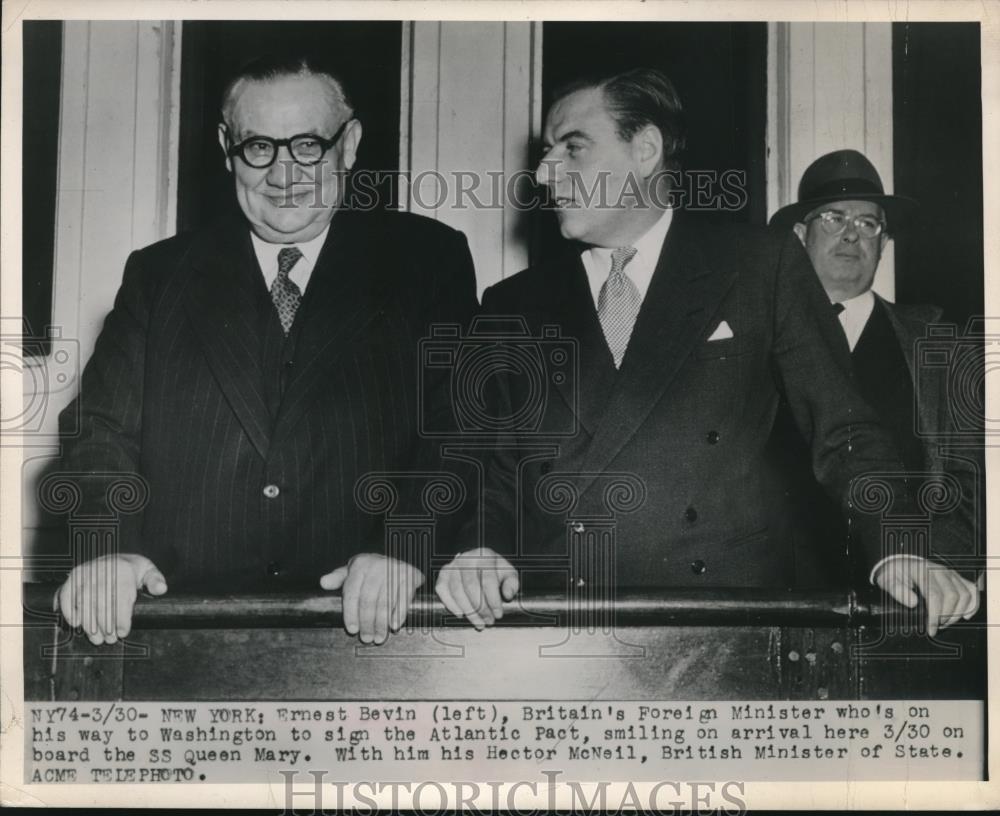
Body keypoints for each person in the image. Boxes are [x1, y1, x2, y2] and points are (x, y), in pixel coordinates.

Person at [435, 68, 979, 635]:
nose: (546, 174)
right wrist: (479, 547)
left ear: (645, 149)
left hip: (723, 620)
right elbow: (492, 465)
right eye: (547, 154)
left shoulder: (756, 264)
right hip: (561, 622)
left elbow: (844, 432)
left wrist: (899, 548)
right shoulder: (512, 303)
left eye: (572, 148)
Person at [53, 53, 477, 645]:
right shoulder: (159, 274)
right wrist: (108, 549)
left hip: (371, 622)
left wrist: (405, 546)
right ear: (227, 146)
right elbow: (99, 430)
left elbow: (461, 429)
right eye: (259, 148)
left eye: (308, 145)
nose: (284, 175)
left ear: (349, 144)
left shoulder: (427, 260)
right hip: (184, 620)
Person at [767, 149, 981, 588]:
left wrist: (938, 572)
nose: (851, 235)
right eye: (833, 218)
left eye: (868, 224)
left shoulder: (937, 342)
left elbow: (970, 480)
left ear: (883, 245)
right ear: (798, 235)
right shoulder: (755, 341)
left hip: (908, 602)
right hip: (777, 601)